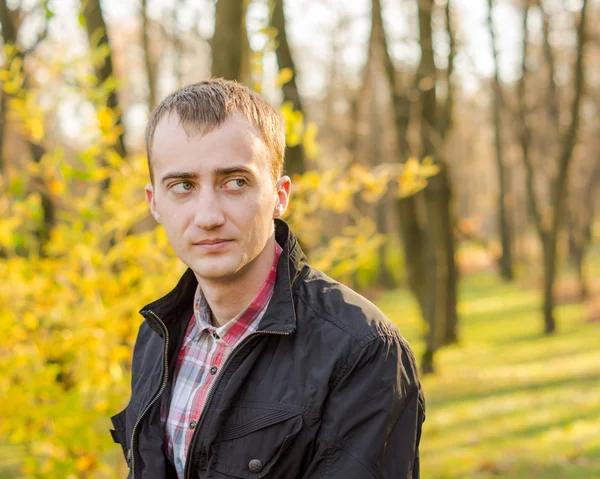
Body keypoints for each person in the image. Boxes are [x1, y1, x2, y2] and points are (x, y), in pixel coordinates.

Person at [109, 78, 425, 479]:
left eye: (235, 182)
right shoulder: (156, 336)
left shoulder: (363, 349)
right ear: (155, 203)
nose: (208, 216)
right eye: (183, 186)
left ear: (280, 195)